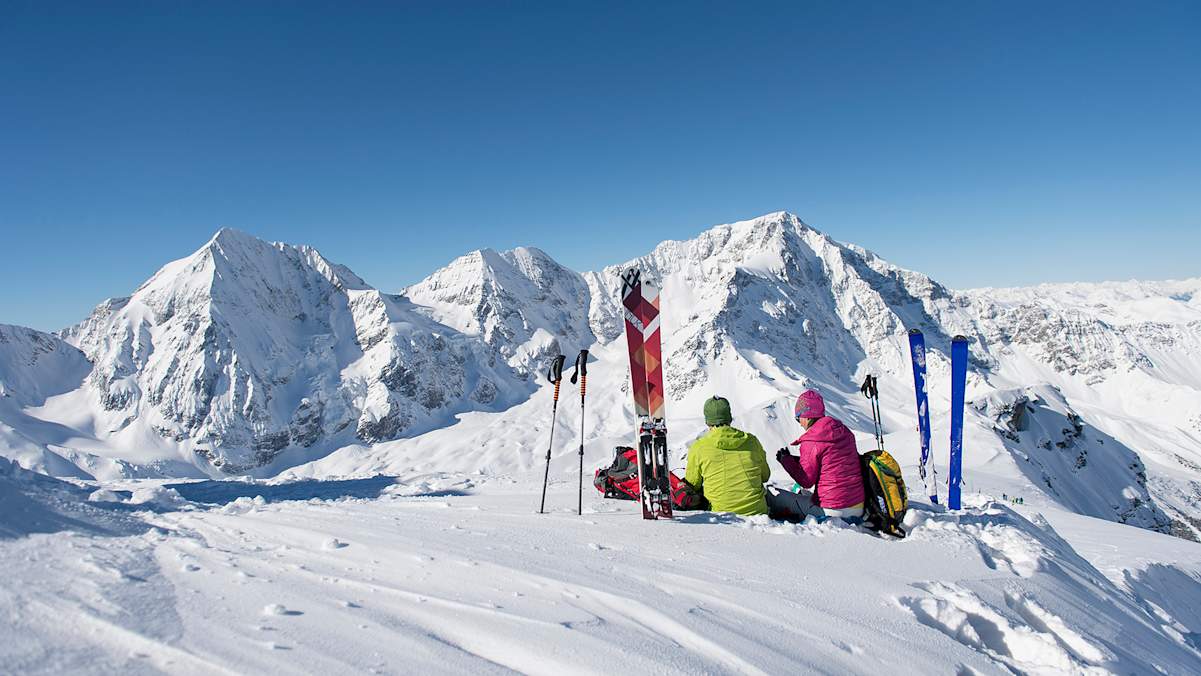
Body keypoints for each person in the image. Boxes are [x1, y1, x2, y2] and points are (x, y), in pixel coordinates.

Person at [768, 389, 866, 523]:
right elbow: (829, 462)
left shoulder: (811, 441)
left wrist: (786, 461)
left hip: (832, 511)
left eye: (798, 418)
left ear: (807, 416)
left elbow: (806, 481)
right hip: (858, 506)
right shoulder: (844, 432)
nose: (800, 423)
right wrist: (795, 460)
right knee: (804, 495)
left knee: (773, 495)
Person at [684, 396, 771, 516]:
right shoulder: (752, 441)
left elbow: (693, 484)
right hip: (757, 513)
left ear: (707, 421)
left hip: (720, 516)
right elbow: (765, 476)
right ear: (729, 418)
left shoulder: (699, 447)